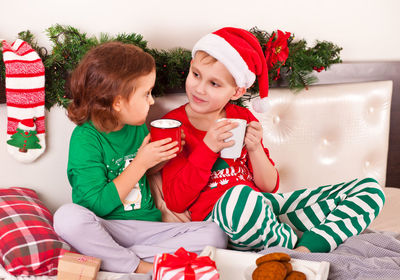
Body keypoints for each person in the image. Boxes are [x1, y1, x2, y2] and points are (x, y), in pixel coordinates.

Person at [161, 27, 386, 253]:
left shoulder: (242, 117)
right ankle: (287, 239)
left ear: (237, 92)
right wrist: (208, 148)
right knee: (239, 198)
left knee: (370, 190)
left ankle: (303, 251)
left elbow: (269, 187)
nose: (199, 88)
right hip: (224, 218)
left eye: (214, 84)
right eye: (196, 74)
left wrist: (255, 148)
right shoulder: (173, 125)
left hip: (265, 207)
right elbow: (176, 201)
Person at [53, 42, 227, 274]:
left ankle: (111, 257)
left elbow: (146, 173)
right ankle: (140, 266)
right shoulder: (86, 137)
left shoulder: (135, 127)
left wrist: (161, 157)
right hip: (107, 226)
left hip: (146, 228)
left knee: (215, 234)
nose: (152, 101)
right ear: (117, 102)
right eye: (146, 94)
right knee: (67, 217)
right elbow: (94, 205)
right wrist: (141, 162)